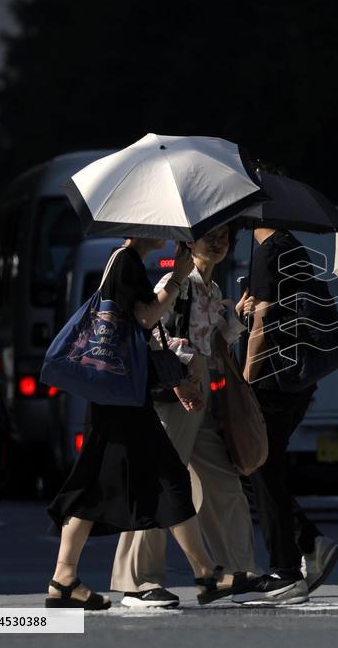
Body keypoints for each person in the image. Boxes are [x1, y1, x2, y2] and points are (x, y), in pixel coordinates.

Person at [45, 237, 255, 610]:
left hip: (118, 393)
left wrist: (176, 380)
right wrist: (176, 277)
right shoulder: (127, 261)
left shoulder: (127, 262)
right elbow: (145, 319)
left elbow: (144, 333)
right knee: (165, 476)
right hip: (123, 395)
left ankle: (64, 578)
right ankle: (204, 573)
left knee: (92, 483)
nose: (165, 232)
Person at [110, 226, 263, 608]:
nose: (219, 241)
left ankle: (236, 571)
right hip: (176, 396)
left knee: (223, 481)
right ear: (187, 243)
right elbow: (154, 335)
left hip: (200, 396)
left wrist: (237, 318)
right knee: (159, 482)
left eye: (225, 235)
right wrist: (180, 376)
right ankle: (138, 582)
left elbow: (211, 344)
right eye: (208, 235)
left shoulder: (209, 289)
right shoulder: (176, 282)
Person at [236, 225, 338, 604]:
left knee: (259, 469)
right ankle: (308, 544)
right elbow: (270, 307)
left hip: (272, 381)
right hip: (295, 379)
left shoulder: (268, 251)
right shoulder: (292, 248)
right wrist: (242, 310)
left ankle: (286, 570)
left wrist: (246, 377)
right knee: (261, 470)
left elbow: (263, 321)